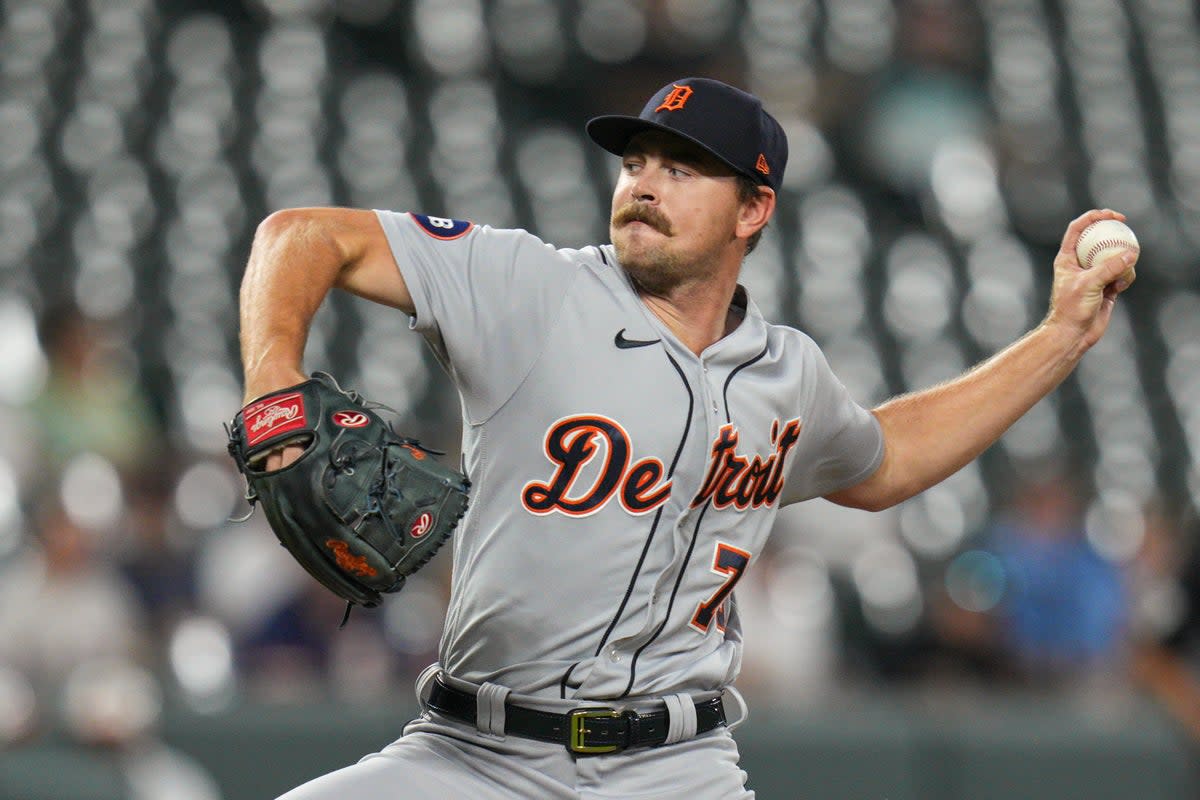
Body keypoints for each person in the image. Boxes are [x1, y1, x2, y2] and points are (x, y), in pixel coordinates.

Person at [235, 77, 1136, 798]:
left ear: (754, 210)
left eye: (684, 167)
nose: (646, 182)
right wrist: (274, 382)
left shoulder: (788, 372)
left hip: (675, 769)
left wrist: (1060, 335)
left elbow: (886, 460)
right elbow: (304, 235)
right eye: (638, 161)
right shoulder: (530, 287)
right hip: (474, 758)